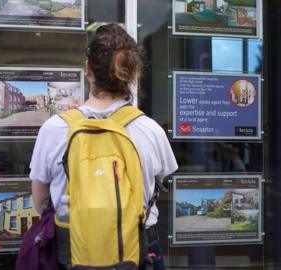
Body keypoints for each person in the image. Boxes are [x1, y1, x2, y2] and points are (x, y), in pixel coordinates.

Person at [29, 23, 178, 270]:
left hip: (73, 251)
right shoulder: (150, 130)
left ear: (88, 68)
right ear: (133, 73)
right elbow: (161, 182)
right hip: (139, 250)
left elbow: (40, 200)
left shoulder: (54, 129)